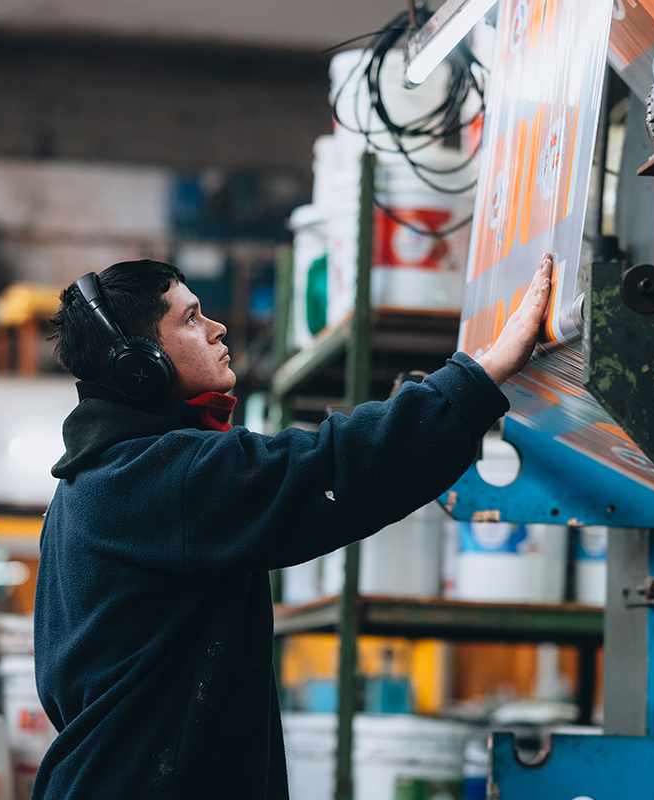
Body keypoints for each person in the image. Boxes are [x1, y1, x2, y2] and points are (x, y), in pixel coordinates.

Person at [32, 253, 552, 799]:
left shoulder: (87, 485)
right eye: (189, 319)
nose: (217, 328)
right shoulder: (153, 479)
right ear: (141, 365)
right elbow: (331, 467)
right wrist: (483, 373)